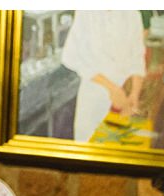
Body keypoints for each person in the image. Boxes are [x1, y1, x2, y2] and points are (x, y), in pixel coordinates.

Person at [60, 9, 146, 142]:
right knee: (89, 149)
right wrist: (112, 88)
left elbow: (137, 57)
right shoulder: (86, 12)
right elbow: (70, 56)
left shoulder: (132, 14)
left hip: (124, 98)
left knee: (117, 152)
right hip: (94, 95)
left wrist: (134, 94)